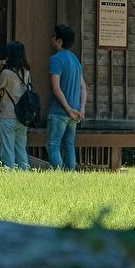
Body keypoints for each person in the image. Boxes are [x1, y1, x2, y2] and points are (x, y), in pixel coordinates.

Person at [47, 24, 86, 170]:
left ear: (59, 41)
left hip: (59, 111)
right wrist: (80, 108)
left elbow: (56, 88)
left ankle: (57, 177)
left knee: (53, 144)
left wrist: (67, 109)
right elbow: (83, 87)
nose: (51, 39)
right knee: (69, 145)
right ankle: (70, 176)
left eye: (53, 36)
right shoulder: (75, 60)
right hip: (75, 111)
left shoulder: (56, 59)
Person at [0, 41, 32, 170]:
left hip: (8, 116)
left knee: (7, 149)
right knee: (21, 149)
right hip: (22, 116)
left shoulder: (7, 73)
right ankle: (24, 173)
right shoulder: (26, 72)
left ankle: (8, 174)